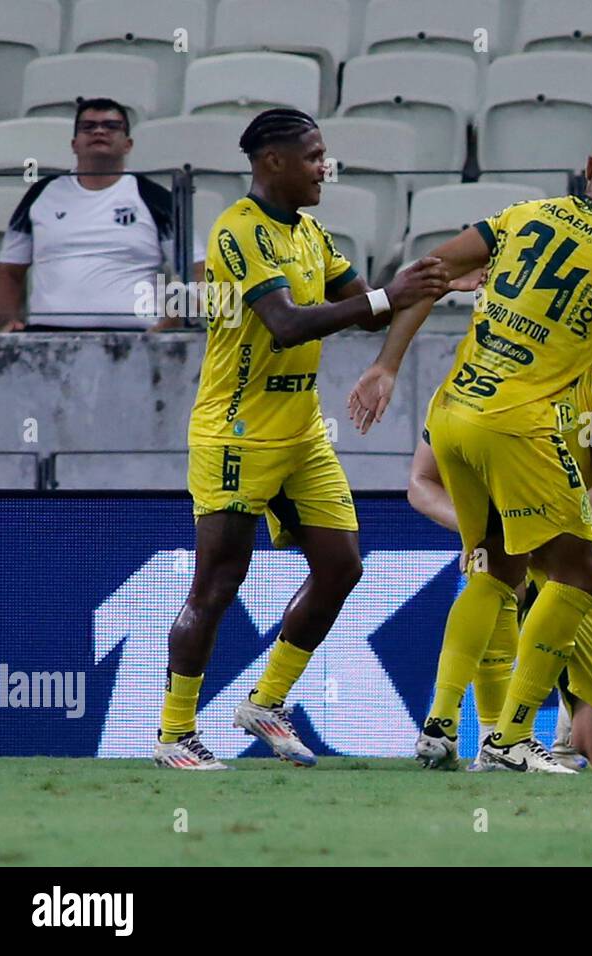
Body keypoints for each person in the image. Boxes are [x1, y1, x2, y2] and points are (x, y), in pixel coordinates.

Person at [347, 121, 592, 774]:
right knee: (580, 572)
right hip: (514, 423)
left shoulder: (523, 216)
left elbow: (427, 272)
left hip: (457, 406)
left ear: (588, 165)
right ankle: (510, 737)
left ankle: (440, 727)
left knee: (496, 567)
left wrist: (385, 365)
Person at [154, 108, 448, 770]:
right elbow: (286, 324)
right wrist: (385, 298)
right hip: (238, 430)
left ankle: (267, 702)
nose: (325, 167)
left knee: (342, 566)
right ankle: (174, 733)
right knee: (219, 582)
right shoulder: (237, 232)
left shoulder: (313, 234)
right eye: (313, 155)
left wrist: (423, 288)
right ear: (272, 161)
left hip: (301, 432)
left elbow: (367, 311)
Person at [406, 351, 592, 771]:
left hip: (581, 548)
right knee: (493, 568)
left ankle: (550, 718)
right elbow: (421, 483)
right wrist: (481, 534)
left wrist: (546, 531)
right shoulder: (474, 375)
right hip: (511, 549)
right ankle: (492, 734)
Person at [0, 98, 201, 332]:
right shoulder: (41, 194)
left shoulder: (155, 198)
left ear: (128, 144)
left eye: (111, 126)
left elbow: (197, 270)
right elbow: (9, 272)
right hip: (47, 338)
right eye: (88, 127)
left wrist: (174, 321)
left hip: (135, 339)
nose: (99, 131)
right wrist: (8, 321)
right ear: (74, 144)